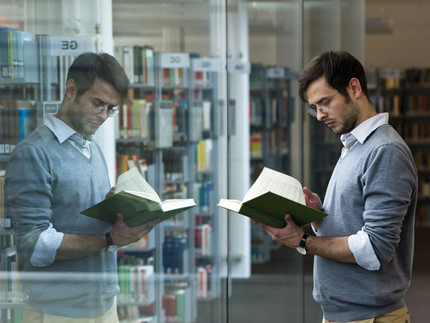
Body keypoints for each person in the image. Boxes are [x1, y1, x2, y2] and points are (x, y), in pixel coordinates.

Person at [254, 50, 417, 323]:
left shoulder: (385, 151)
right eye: (314, 108)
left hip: (370, 317)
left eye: (325, 103)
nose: (319, 116)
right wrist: (317, 215)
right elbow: (355, 221)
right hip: (347, 315)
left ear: (354, 88)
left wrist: (304, 241)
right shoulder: (353, 146)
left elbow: (375, 248)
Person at [5, 52, 160, 322]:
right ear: (71, 90)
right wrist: (109, 240)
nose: (103, 116)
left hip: (104, 305)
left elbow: (79, 217)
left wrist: (118, 210)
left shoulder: (91, 146)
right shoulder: (34, 152)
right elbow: (34, 244)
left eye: (111, 109)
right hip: (58, 312)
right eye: (98, 104)